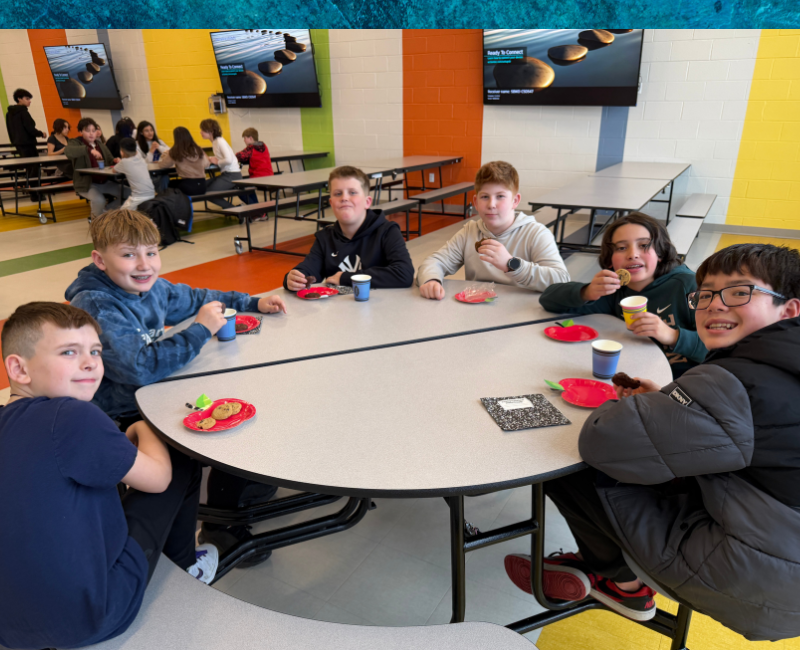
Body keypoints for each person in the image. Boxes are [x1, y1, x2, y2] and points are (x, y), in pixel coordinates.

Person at [505, 243, 800, 641]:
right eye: (707, 294)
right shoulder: (779, 365)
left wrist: (666, 405)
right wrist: (671, 401)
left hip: (759, 580)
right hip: (780, 552)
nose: (715, 305)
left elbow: (602, 439)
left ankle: (622, 584)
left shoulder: (741, 380)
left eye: (739, 292)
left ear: (789, 309)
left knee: (565, 462)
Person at [65, 209, 288, 561]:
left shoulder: (153, 287)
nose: (144, 265)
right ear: (99, 260)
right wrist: (200, 330)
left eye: (151, 253)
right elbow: (138, 367)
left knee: (246, 404)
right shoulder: (96, 304)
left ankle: (244, 490)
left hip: (159, 391)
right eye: (128, 254)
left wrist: (251, 301)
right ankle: (197, 544)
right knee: (205, 443)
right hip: (123, 414)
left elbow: (199, 297)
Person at [0, 301, 219, 650]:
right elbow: (159, 479)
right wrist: (141, 428)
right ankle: (187, 568)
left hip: (9, 632)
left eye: (95, 351)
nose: (90, 363)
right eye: (69, 352)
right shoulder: (71, 415)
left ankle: (46, 646)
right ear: (19, 368)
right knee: (179, 458)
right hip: (95, 617)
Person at [539, 212, 706, 378]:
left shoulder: (688, 286)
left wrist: (672, 335)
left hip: (685, 382)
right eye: (621, 248)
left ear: (660, 252)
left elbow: (720, 348)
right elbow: (548, 299)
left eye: (643, 245)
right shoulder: (614, 291)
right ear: (610, 259)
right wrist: (587, 292)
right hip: (634, 375)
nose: (632, 254)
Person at [416, 161, 569, 298]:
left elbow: (561, 280)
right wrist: (432, 280)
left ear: (515, 201)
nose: (491, 204)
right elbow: (435, 262)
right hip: (477, 312)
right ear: (475, 202)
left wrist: (511, 264)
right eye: (484, 197)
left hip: (519, 315)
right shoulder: (469, 232)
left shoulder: (536, 234)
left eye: (500, 196)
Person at [283, 165, 414, 291]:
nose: (344, 198)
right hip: (339, 310)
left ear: (367, 202)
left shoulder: (387, 231)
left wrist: (346, 278)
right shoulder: (325, 238)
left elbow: (404, 273)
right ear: (331, 203)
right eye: (338, 193)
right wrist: (294, 278)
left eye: (352, 192)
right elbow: (309, 270)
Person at [64, 117, 119, 219]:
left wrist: (116, 160)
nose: (91, 134)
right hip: (87, 183)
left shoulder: (101, 145)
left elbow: (110, 159)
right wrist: (89, 150)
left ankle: (105, 212)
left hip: (104, 182)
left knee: (128, 193)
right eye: (87, 131)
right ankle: (95, 222)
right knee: (99, 200)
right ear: (81, 131)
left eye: (93, 131)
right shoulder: (75, 143)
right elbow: (69, 152)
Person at [5, 88, 46, 199]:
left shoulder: (9, 114)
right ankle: (36, 193)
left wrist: (15, 142)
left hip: (19, 145)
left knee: (29, 169)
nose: (29, 101)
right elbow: (30, 129)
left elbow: (10, 131)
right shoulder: (23, 112)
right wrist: (41, 134)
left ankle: (33, 192)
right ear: (19, 99)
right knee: (35, 169)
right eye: (27, 99)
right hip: (28, 144)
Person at [199, 118, 242, 210]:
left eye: (202, 130)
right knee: (203, 187)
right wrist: (210, 159)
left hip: (232, 175)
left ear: (210, 131)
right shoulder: (215, 141)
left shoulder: (219, 141)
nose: (200, 132)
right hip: (226, 174)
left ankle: (234, 210)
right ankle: (233, 209)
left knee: (209, 194)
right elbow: (223, 158)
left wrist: (218, 161)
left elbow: (229, 160)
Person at [159, 126, 210, 197]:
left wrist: (165, 154)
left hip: (188, 185)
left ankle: (172, 206)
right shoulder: (198, 149)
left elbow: (162, 165)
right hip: (202, 186)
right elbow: (207, 164)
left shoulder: (175, 151)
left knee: (168, 184)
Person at [113, 137, 155, 209]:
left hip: (138, 198)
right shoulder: (140, 159)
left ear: (121, 151)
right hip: (152, 194)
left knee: (121, 215)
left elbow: (114, 170)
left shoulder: (124, 162)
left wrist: (121, 160)